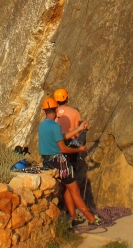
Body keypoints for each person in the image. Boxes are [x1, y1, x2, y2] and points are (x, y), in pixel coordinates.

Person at [39, 97, 101, 226]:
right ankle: (91, 219)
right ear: (56, 110)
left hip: (47, 162)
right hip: (59, 162)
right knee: (75, 190)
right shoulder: (55, 126)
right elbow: (63, 148)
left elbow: (60, 137)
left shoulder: (42, 125)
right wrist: (79, 149)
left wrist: (79, 129)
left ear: (44, 111)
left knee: (67, 188)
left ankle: (73, 216)